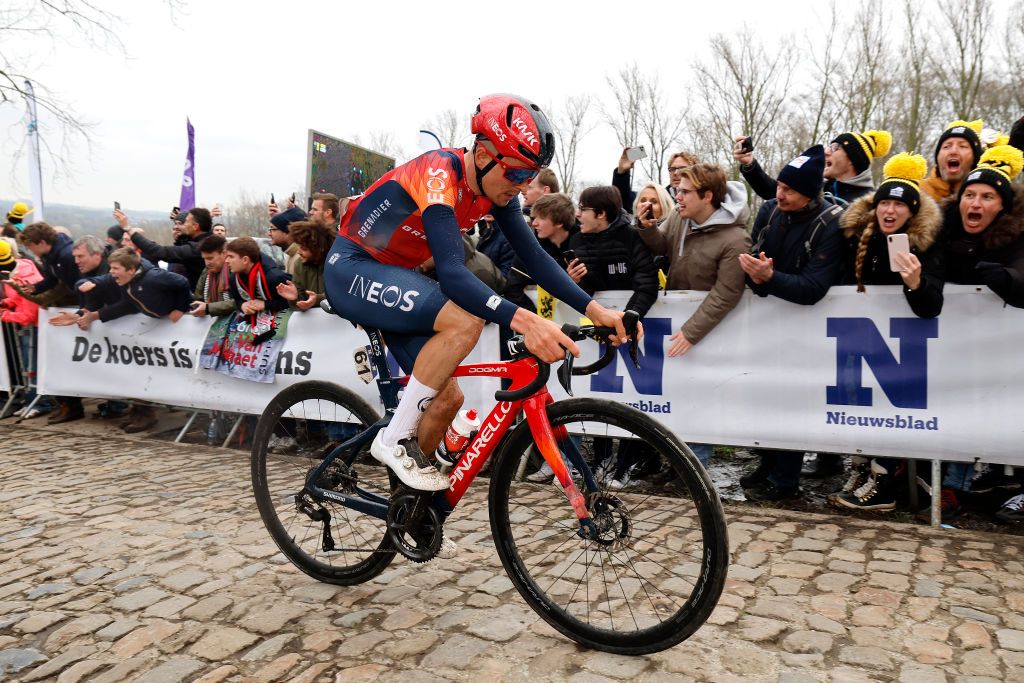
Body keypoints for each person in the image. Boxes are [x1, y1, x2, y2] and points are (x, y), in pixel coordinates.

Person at [323, 93, 631, 507]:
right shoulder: (438, 174)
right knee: (464, 321)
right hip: (353, 267)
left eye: (532, 174)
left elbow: (536, 258)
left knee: (448, 399)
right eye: (518, 172)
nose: (524, 187)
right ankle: (394, 439)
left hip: (398, 276)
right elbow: (452, 272)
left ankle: (411, 511)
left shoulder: (494, 190)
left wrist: (595, 309)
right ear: (483, 153)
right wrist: (526, 320)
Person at [827, 153, 943, 511]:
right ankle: (861, 469)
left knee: (892, 413)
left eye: (898, 205)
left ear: (911, 212)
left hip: (905, 346)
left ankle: (885, 482)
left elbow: (931, 306)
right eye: (884, 203)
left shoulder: (926, 244)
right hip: (861, 340)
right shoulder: (857, 238)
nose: (889, 211)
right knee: (859, 407)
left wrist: (916, 282)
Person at [737, 145, 844, 501]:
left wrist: (769, 278)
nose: (779, 193)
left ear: (811, 193)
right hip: (768, 325)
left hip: (808, 329)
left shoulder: (831, 222)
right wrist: (756, 275)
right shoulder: (769, 210)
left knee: (792, 401)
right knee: (762, 398)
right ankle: (767, 464)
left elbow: (814, 287)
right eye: (779, 185)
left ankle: (786, 482)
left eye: (789, 190)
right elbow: (756, 263)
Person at [929, 144, 1024, 519]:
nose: (977, 203)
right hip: (953, 346)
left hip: (1003, 350)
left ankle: (960, 486)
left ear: (1001, 206)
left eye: (987, 197)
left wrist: (1005, 278)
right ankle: (946, 487)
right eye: (970, 194)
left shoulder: (1016, 234)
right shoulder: (944, 227)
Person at [566, 185, 658, 489]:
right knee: (600, 396)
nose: (577, 215)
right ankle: (601, 458)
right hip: (601, 329)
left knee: (638, 400)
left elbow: (647, 283)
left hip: (638, 328)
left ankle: (628, 462)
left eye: (583, 208)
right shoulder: (577, 239)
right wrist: (575, 284)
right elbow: (590, 289)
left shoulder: (631, 236)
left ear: (602, 214)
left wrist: (632, 316)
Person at [14, 221, 85, 424]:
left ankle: (73, 406)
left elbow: (74, 286)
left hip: (74, 311)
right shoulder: (50, 256)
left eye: (31, 246)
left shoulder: (65, 255)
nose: (30, 250)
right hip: (67, 308)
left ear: (43, 242)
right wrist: (35, 288)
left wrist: (50, 300)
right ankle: (68, 405)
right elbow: (52, 281)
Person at [735, 130, 891, 206]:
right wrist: (750, 165)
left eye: (835, 147)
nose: (826, 151)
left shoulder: (870, 204)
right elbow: (775, 193)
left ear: (852, 160)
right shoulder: (820, 187)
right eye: (829, 146)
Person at [0, 241, 52, 419]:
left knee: (32, 366)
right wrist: (6, 303)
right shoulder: (12, 271)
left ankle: (40, 403)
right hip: (26, 327)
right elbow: (16, 298)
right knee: (26, 367)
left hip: (34, 327)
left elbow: (28, 314)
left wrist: (4, 315)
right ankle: (30, 401)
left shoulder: (26, 277)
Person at [503, 192, 578, 313]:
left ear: (559, 222)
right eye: (534, 218)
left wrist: (578, 283)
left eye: (541, 218)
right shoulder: (529, 248)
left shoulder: (583, 244)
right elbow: (512, 288)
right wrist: (535, 318)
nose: (534, 223)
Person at [123, 207, 212, 289]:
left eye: (186, 222)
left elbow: (161, 252)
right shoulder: (206, 240)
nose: (182, 226)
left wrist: (129, 230)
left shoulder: (198, 247)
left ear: (195, 226)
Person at [224, 237, 292, 335]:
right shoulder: (233, 278)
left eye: (231, 256)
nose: (226, 261)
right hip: (251, 333)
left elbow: (293, 301)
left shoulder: (274, 277)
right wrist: (242, 305)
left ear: (245, 260)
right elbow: (236, 300)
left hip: (281, 333)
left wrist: (266, 304)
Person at [275, 220, 335, 311]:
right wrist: (295, 298)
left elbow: (341, 296)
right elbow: (300, 304)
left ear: (318, 248)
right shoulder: (299, 264)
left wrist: (317, 299)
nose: (299, 252)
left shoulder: (336, 263)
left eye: (304, 249)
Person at [613, 149, 698, 211]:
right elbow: (624, 200)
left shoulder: (703, 199)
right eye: (672, 169)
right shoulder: (657, 197)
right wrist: (622, 172)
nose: (675, 173)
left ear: (695, 172)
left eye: (682, 169)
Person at [921, 120, 984, 202]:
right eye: (946, 146)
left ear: (975, 159)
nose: (953, 151)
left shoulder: (986, 196)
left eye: (962, 146)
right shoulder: (918, 193)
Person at [190, 235, 237, 318]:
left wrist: (209, 308)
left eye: (210, 258)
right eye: (204, 258)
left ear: (224, 253)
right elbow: (198, 297)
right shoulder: (206, 271)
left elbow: (241, 302)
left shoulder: (236, 270)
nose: (207, 263)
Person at [268, 207, 307, 275]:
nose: (269, 234)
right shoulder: (290, 255)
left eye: (272, 229)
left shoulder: (300, 258)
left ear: (287, 232)